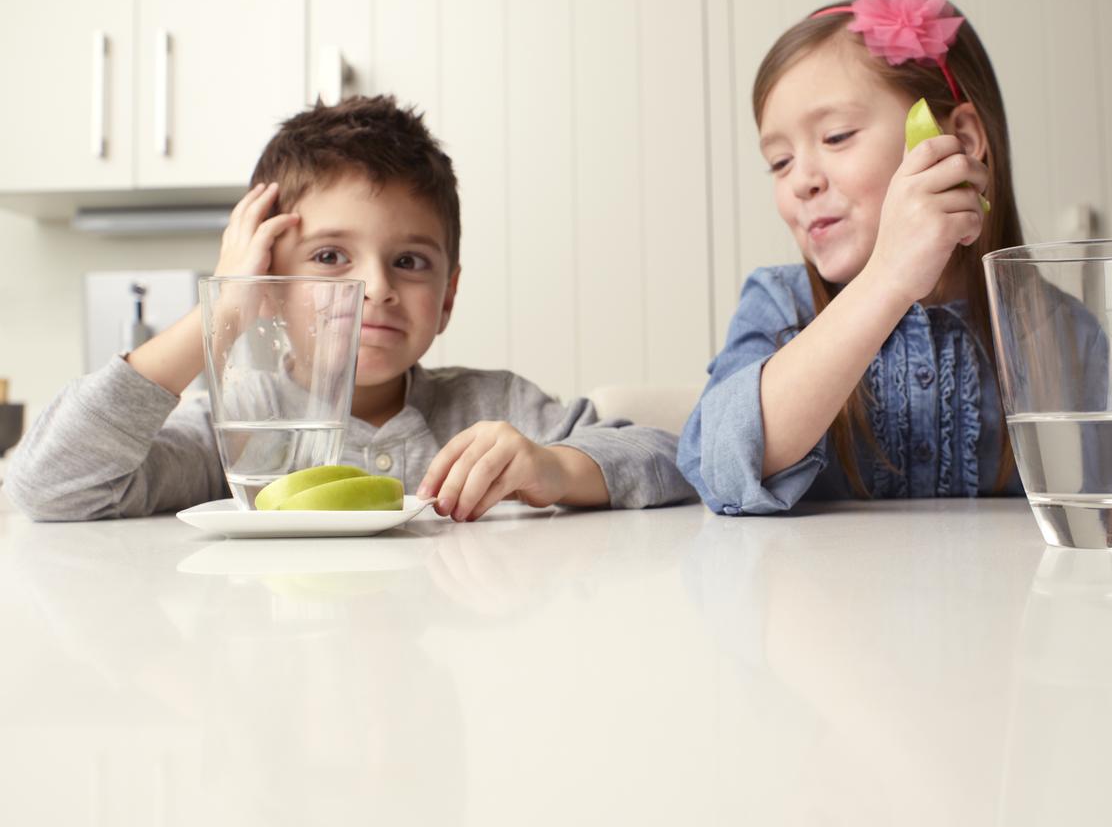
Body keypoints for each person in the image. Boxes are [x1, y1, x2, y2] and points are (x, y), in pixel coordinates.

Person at [6, 96, 694, 522]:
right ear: (268, 280)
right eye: (332, 257)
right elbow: (51, 485)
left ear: (447, 296)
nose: (375, 288)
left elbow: (670, 457)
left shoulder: (491, 409)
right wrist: (223, 311)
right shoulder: (237, 429)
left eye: (411, 260)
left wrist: (553, 468)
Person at [678, 0, 1025, 514]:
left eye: (836, 136)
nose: (801, 181)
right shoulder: (778, 305)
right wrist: (887, 278)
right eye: (779, 162)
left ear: (960, 140)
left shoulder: (1053, 327)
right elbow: (718, 465)